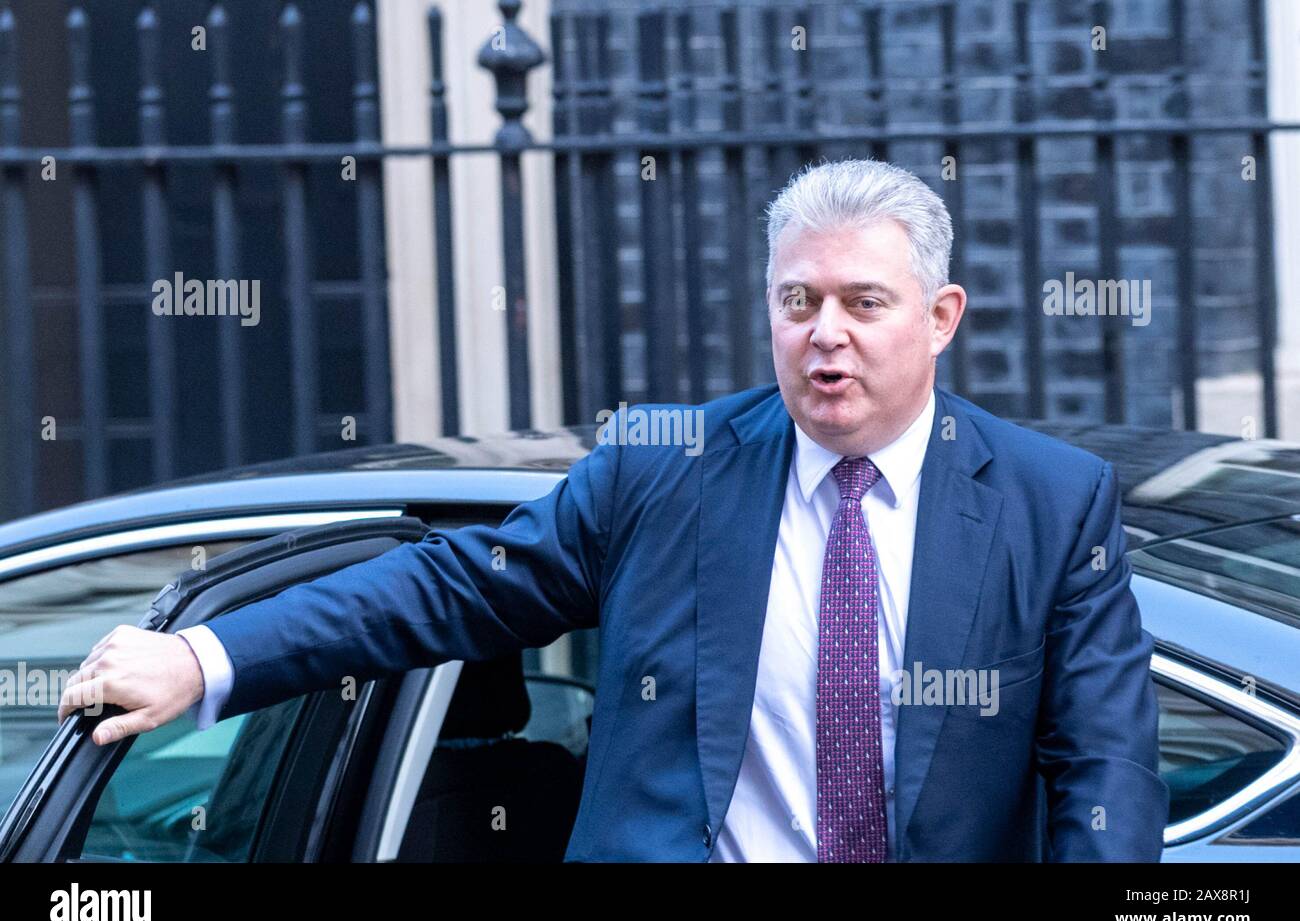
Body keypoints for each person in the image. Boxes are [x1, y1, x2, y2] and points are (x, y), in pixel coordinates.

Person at [60, 158, 1168, 862]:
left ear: (939, 317)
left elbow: (1103, 768)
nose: (824, 332)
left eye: (862, 303)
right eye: (797, 301)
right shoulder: (663, 469)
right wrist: (204, 657)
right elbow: (450, 584)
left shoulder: (1048, 502)